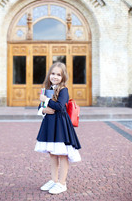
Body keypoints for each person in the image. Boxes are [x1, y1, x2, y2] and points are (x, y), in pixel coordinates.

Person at [34, 62, 81, 195]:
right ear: (49, 74)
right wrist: (44, 109)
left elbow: (60, 107)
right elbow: (40, 107)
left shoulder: (63, 90)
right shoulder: (47, 89)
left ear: (63, 76)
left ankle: (62, 183)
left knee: (62, 154)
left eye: (58, 74)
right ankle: (54, 180)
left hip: (60, 125)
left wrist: (47, 101)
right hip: (49, 125)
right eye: (53, 73)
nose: (55, 76)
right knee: (52, 154)